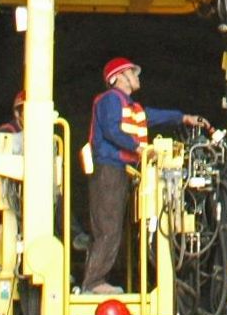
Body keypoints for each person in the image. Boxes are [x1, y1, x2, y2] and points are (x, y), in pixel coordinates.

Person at [82, 58, 209, 293]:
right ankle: (93, 283)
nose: (137, 76)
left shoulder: (131, 107)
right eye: (132, 72)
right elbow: (112, 129)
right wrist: (138, 148)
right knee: (108, 227)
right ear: (119, 77)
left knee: (112, 228)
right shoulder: (110, 100)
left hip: (119, 171)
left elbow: (153, 116)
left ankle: (97, 280)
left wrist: (183, 117)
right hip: (108, 170)